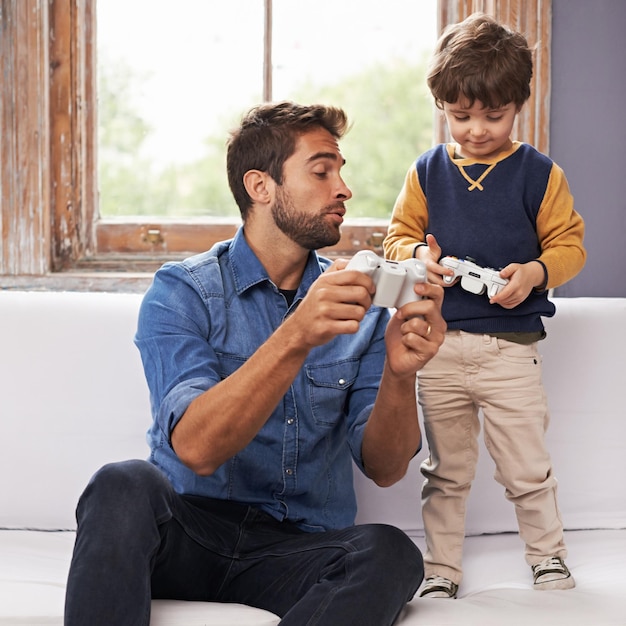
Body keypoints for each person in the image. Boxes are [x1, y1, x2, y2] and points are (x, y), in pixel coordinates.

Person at [64, 101, 447, 625]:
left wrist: (402, 376)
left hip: (294, 550)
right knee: (121, 483)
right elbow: (197, 449)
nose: (343, 188)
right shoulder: (182, 292)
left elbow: (384, 468)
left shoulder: (365, 308)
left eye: (341, 170)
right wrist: (296, 335)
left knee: (390, 551)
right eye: (322, 170)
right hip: (188, 533)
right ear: (261, 187)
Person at [383, 13, 586, 599]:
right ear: (442, 105)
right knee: (444, 472)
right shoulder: (425, 171)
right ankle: (441, 570)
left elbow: (569, 246)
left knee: (526, 467)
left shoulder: (539, 174)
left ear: (518, 104)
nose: (475, 129)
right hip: (438, 349)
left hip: (509, 352)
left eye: (492, 116)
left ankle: (547, 558)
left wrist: (538, 272)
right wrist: (418, 253)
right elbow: (397, 236)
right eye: (460, 114)